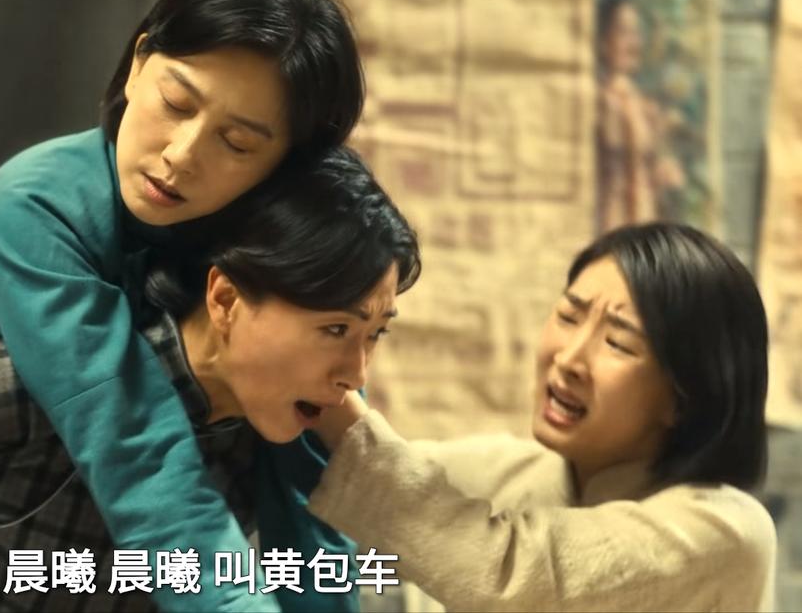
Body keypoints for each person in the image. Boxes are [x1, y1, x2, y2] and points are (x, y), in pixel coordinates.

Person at [0, 0, 368, 613]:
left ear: (284, 168)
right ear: (138, 64)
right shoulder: (32, 209)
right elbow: (134, 444)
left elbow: (309, 488)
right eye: (176, 103)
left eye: (238, 143)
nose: (181, 154)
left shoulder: (273, 249)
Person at [0, 146, 422, 611]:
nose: (355, 375)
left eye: (375, 334)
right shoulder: (43, 382)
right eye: (335, 330)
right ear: (224, 299)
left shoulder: (277, 450)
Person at [309, 222, 776, 612]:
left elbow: (511, 580)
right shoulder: (506, 473)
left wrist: (334, 393)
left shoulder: (727, 534)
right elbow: (361, 478)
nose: (569, 358)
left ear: (684, 399)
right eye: (569, 317)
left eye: (618, 343)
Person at [595, 0, 687, 232]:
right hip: (611, 226)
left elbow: (656, 174)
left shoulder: (644, 106)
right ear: (603, 42)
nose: (633, 43)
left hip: (645, 226)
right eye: (623, 32)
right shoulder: (600, 101)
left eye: (636, 33)